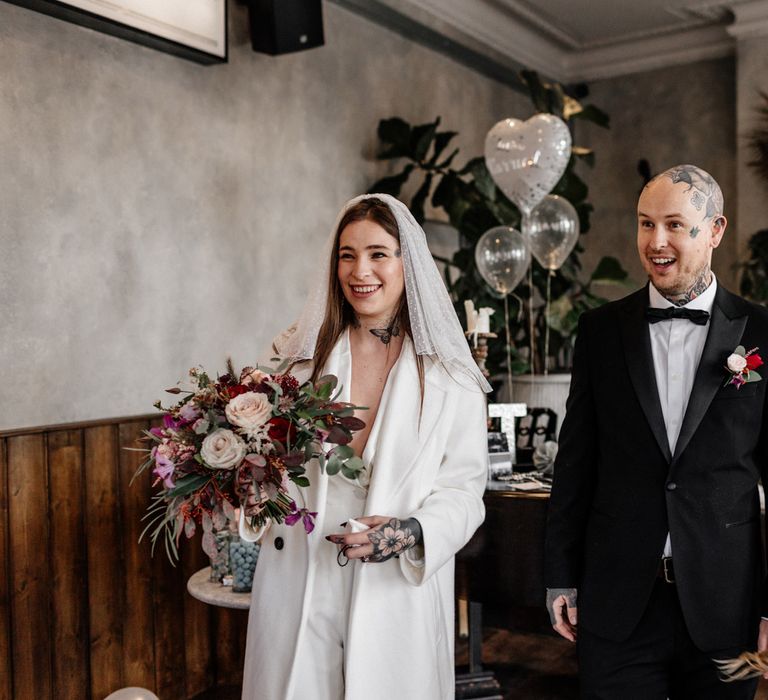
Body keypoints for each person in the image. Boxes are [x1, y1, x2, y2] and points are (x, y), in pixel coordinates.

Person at [240, 194, 491, 700]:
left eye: (378, 253)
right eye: (347, 254)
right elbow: (268, 472)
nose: (361, 270)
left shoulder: (452, 377)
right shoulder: (297, 364)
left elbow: (465, 492)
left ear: (408, 262)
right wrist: (250, 490)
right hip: (299, 581)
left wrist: (409, 533)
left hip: (391, 586)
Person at [544, 164, 768, 699]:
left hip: (726, 605)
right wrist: (560, 574)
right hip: (617, 599)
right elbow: (577, 462)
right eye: (646, 224)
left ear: (715, 230)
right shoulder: (600, 331)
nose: (656, 241)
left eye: (674, 224)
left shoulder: (761, 331)